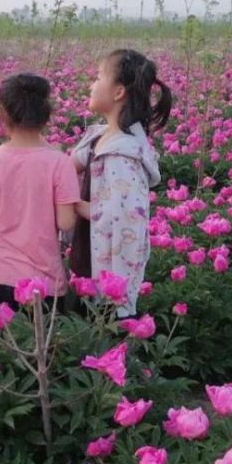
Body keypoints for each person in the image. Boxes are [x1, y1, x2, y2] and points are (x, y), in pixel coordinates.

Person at [69, 48, 172, 317]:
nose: (92, 84)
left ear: (118, 92)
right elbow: (64, 167)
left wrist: (73, 204)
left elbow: (119, 217)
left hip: (108, 283)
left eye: (99, 77)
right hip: (89, 263)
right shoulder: (100, 138)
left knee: (101, 345)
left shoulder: (122, 156)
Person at [0, 73, 80, 310]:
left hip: (1, 274)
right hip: (46, 278)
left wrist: (5, 212)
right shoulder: (60, 162)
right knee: (45, 346)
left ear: (3, 113)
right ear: (45, 115)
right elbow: (66, 221)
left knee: (6, 344)